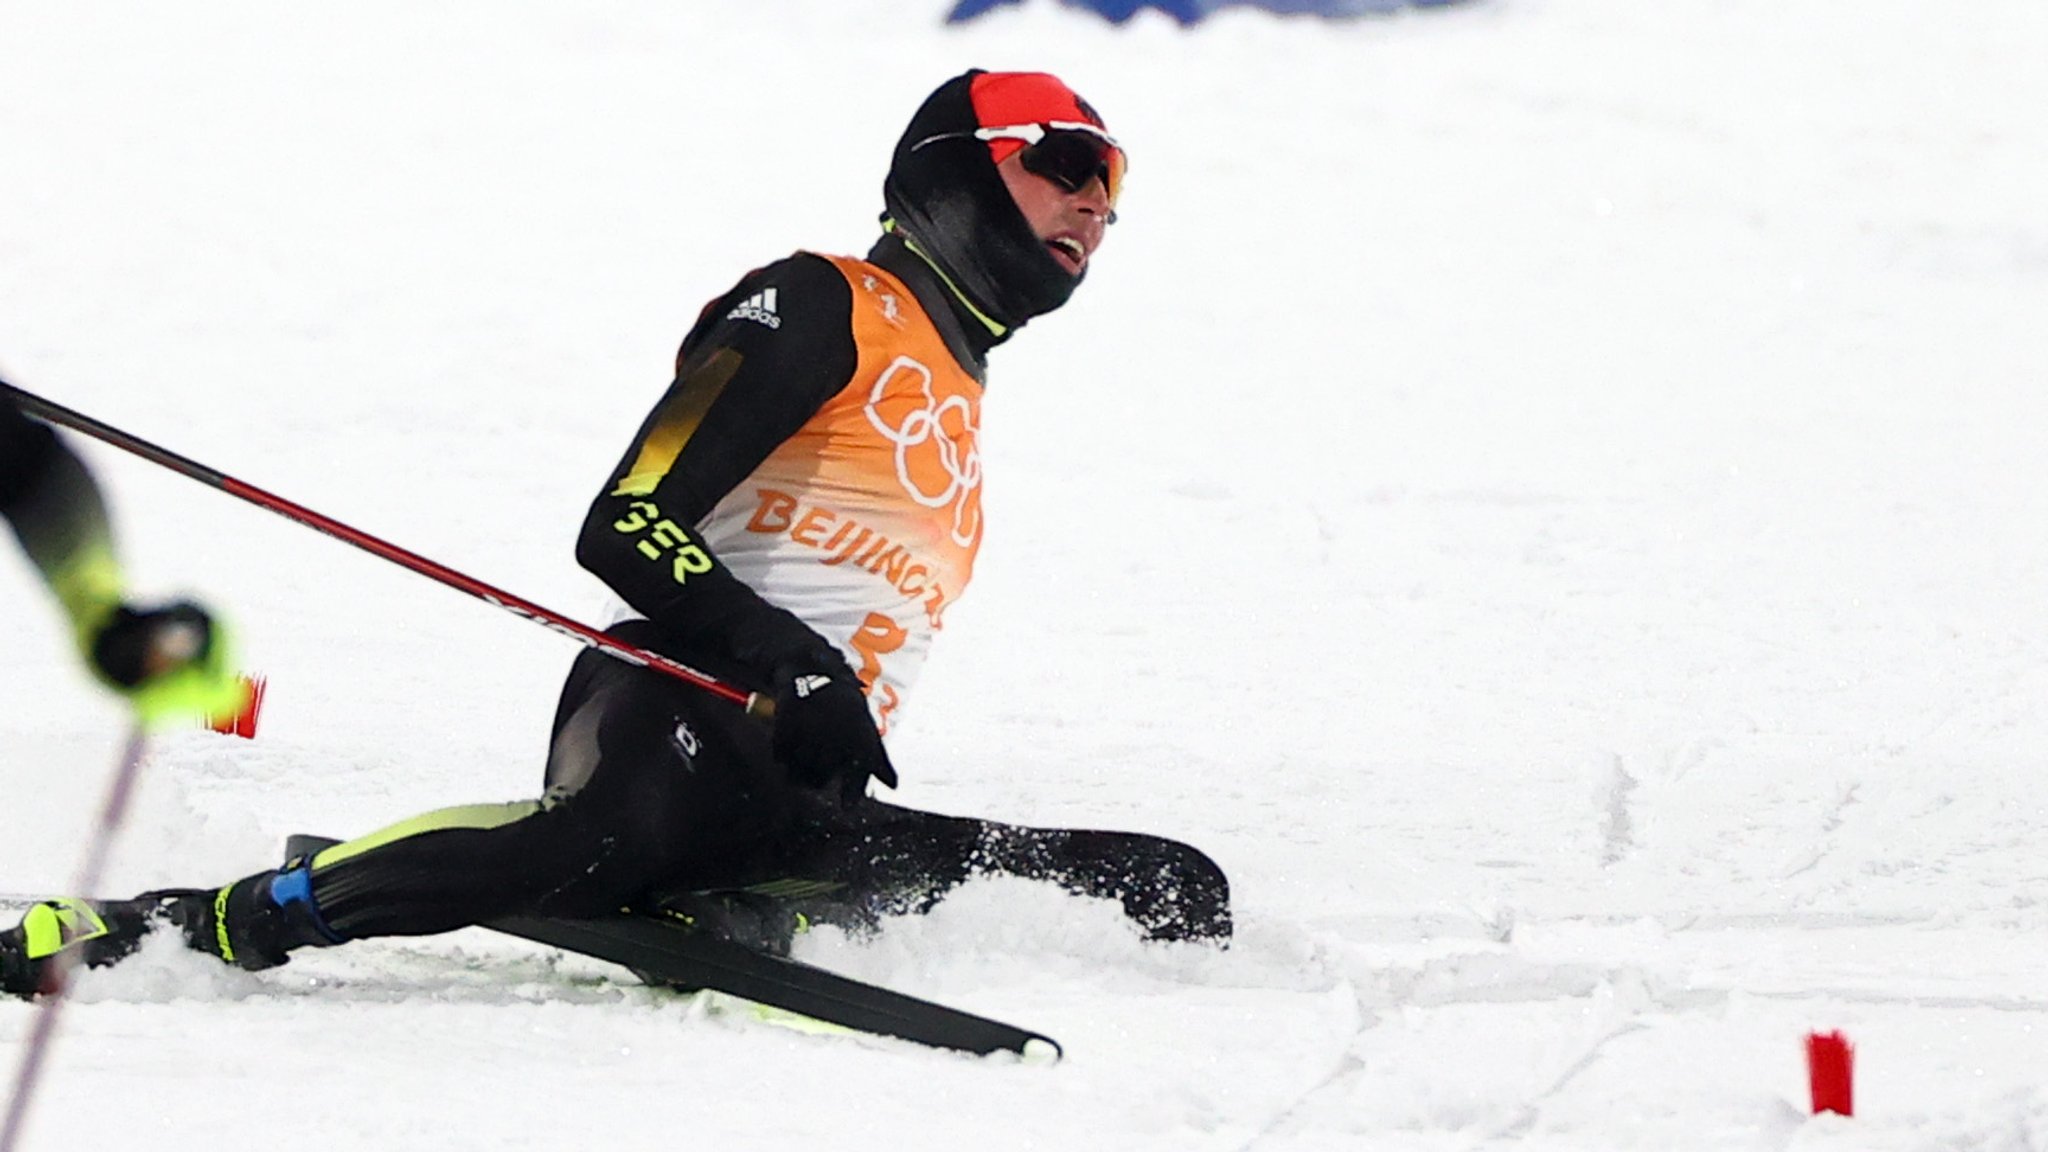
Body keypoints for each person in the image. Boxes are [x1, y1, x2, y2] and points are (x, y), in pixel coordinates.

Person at [0, 69, 1229, 999]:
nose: (1089, 205)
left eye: (1110, 190)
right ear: (951, 169)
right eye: (1064, 162)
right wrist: (791, 664)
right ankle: (200, 920)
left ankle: (735, 891)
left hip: (802, 786)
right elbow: (626, 522)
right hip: (678, 715)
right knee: (611, 838)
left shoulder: (958, 386)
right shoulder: (818, 302)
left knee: (1170, 887)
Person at [0, 393, 239, 725]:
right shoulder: (95, 579)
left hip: (38, 478)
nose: (162, 653)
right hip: (42, 474)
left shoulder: (98, 615)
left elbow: (111, 653)